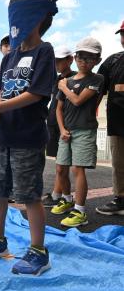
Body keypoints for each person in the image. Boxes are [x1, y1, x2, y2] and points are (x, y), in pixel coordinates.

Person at [0, 0, 78, 276]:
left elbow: (36, 94)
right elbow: (1, 95)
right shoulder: (9, 57)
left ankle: (38, 251)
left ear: (37, 17)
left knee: (29, 195)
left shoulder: (45, 51)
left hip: (28, 138)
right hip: (3, 136)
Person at [51, 37, 104, 227]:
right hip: (66, 131)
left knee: (77, 169)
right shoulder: (68, 80)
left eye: (90, 58)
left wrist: (64, 87)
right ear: (75, 57)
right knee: (60, 168)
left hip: (84, 131)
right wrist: (62, 129)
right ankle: (67, 199)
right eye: (81, 56)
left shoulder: (96, 79)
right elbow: (58, 109)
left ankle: (80, 211)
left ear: (97, 60)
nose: (84, 61)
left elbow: (78, 100)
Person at [96, 21, 124, 216]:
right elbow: (98, 88)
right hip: (118, 123)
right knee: (120, 162)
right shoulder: (113, 61)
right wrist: (90, 114)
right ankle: (121, 198)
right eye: (122, 34)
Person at [42, 46, 75, 207]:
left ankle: (57, 194)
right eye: (56, 60)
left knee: (63, 165)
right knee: (58, 161)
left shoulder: (76, 78)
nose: (57, 63)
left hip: (67, 125)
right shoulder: (55, 79)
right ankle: (59, 194)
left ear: (70, 60)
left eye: (61, 60)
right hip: (53, 123)